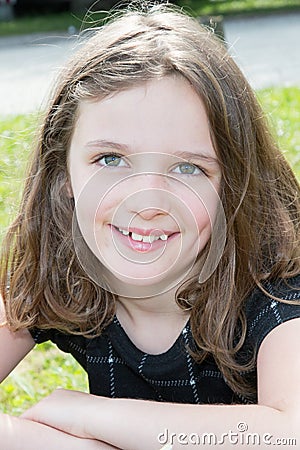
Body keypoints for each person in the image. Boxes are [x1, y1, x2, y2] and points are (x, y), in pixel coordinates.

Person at [1, 3, 300, 449]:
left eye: (187, 168)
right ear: (62, 175)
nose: (148, 202)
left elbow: (290, 433)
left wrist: (87, 414)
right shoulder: (59, 266)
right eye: (110, 160)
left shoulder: (275, 283)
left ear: (233, 185)